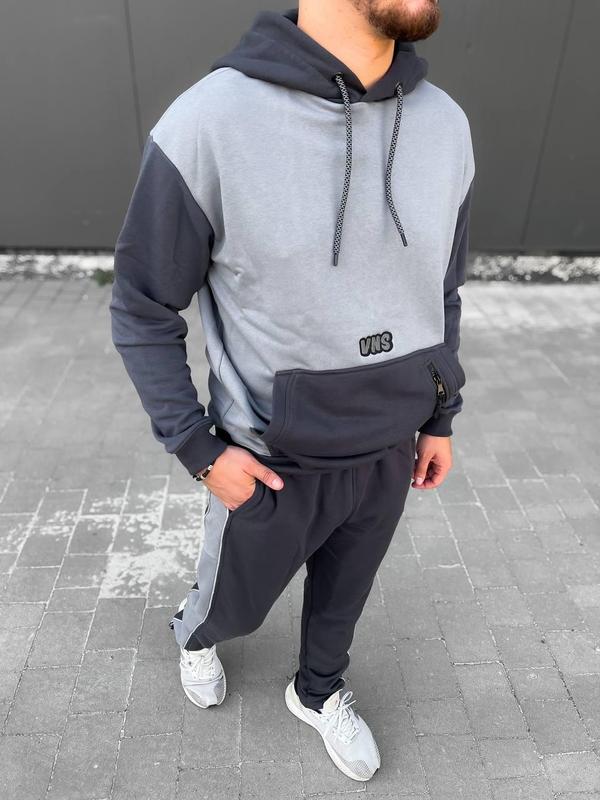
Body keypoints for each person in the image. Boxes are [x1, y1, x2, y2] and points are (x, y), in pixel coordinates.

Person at [109, 0, 475, 783]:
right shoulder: (210, 123)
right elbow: (141, 305)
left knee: (344, 599)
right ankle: (196, 637)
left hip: (390, 446)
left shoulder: (445, 125)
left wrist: (440, 414)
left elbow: (439, 286)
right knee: (230, 605)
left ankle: (318, 692)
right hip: (269, 464)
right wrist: (200, 451)